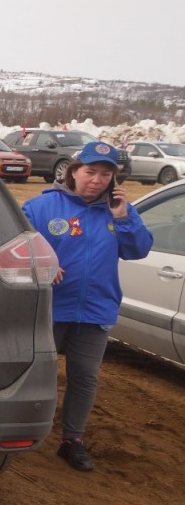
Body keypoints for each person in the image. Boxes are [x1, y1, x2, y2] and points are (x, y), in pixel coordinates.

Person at [23, 141, 151, 472]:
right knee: (38, 374)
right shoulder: (42, 207)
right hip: (50, 308)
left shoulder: (119, 210)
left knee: (84, 378)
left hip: (95, 310)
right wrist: (44, 262)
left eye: (105, 174)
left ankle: (71, 441)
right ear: (73, 172)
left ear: (113, 179)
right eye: (90, 171)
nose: (96, 180)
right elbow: (16, 242)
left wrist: (123, 218)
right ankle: (23, 432)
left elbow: (138, 250)